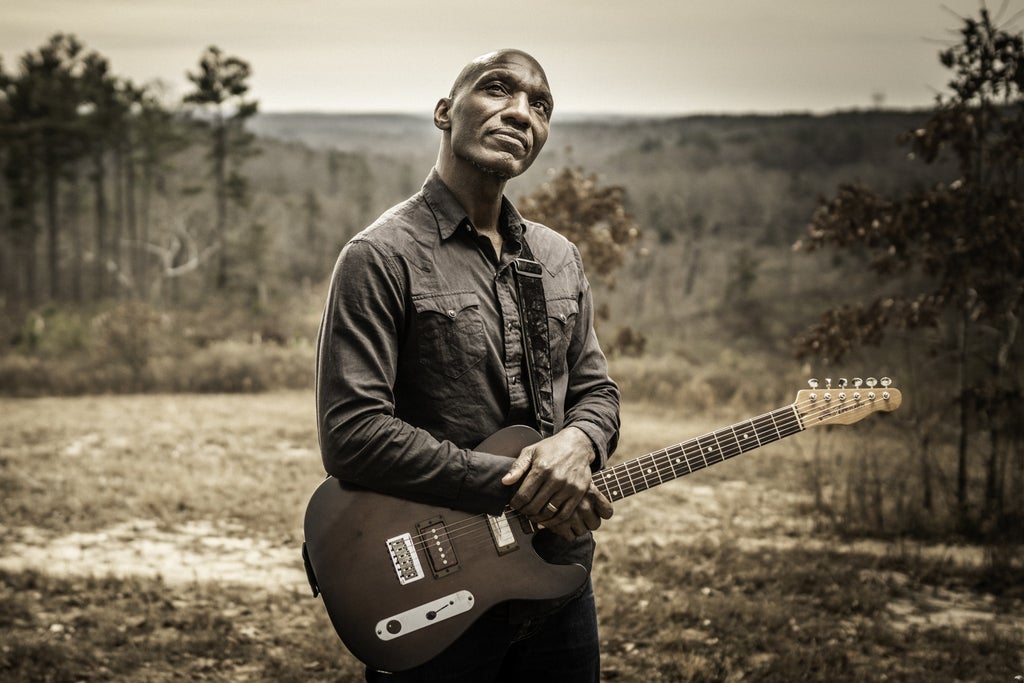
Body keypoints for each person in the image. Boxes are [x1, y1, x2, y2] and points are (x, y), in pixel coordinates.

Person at [315, 48, 620, 681]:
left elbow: (597, 392)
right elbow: (353, 436)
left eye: (540, 106)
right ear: (445, 112)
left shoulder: (558, 256)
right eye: (499, 90)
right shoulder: (380, 255)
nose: (521, 113)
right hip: (434, 587)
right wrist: (521, 481)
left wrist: (577, 443)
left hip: (558, 573)